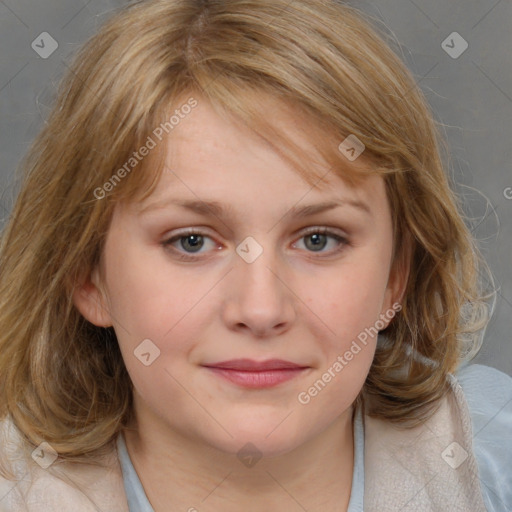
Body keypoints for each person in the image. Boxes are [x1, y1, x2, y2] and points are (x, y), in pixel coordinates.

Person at [0, 0, 510, 511]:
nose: (261, 310)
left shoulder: (492, 455)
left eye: (319, 239)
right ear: (88, 276)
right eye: (192, 242)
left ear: (396, 278)